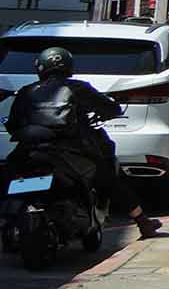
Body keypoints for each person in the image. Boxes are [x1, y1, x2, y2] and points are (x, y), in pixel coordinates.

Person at [5, 48, 161, 239]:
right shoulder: (77, 88)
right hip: (70, 152)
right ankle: (142, 222)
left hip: (27, 151)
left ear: (40, 68)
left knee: (9, 177)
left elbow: (13, 124)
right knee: (108, 178)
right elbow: (111, 108)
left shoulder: (26, 91)